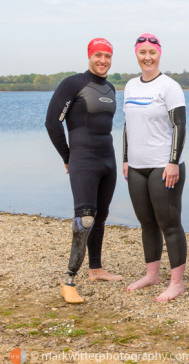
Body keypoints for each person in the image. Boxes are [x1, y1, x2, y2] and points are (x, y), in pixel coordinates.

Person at [45, 38, 123, 304]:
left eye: (108, 56)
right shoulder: (73, 84)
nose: (103, 60)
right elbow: (52, 123)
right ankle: (69, 281)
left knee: (101, 215)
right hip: (83, 160)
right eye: (98, 55)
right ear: (89, 56)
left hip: (107, 161)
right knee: (85, 217)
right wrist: (68, 157)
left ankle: (96, 269)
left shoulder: (111, 87)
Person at [123, 33, 187, 302]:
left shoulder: (169, 87)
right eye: (142, 52)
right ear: (136, 55)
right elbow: (127, 125)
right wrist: (125, 158)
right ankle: (151, 275)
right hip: (136, 167)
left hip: (163, 166)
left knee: (169, 224)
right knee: (146, 222)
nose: (147, 57)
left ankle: (177, 281)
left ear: (159, 54)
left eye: (152, 52)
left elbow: (180, 126)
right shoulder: (129, 86)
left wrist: (173, 162)